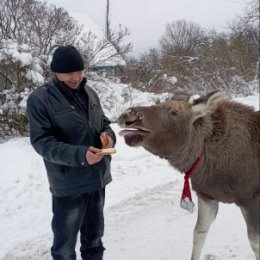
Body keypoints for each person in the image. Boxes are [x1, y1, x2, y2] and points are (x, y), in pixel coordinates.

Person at [27, 45, 116, 260]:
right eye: (69, 73)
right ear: (55, 72)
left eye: (79, 71)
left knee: (94, 242)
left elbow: (104, 123)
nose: (75, 77)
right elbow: (42, 142)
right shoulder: (40, 99)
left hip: (96, 179)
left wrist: (108, 135)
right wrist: (80, 154)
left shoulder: (90, 92)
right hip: (68, 184)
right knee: (65, 248)